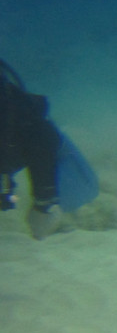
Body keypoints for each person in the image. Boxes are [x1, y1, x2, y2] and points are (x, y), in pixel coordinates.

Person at [1, 58, 98, 239]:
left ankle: (57, 216)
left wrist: (44, 203)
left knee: (84, 189)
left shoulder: (18, 116)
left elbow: (41, 136)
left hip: (29, 143)